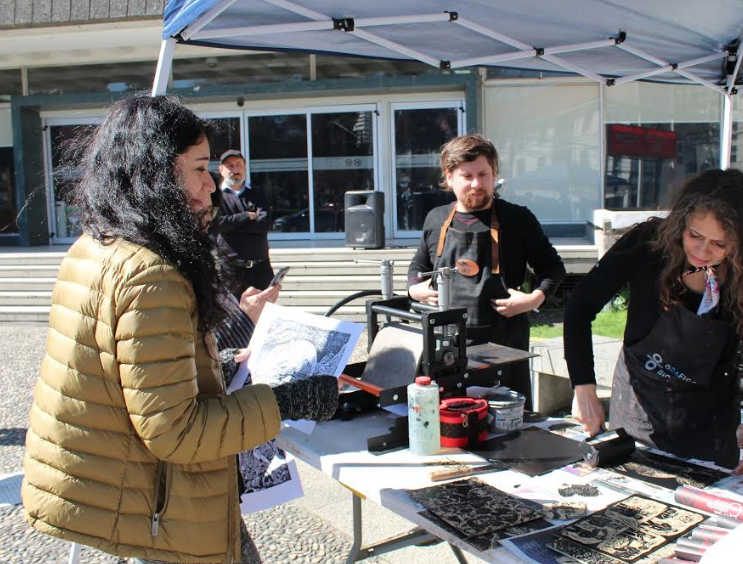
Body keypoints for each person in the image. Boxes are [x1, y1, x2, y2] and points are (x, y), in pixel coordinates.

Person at [21, 95, 337, 564]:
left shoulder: (95, 244)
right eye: (199, 168)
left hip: (106, 489)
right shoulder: (152, 274)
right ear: (155, 175)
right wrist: (285, 402)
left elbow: (120, 367)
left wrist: (221, 362)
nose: (211, 186)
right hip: (147, 505)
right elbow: (178, 433)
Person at [564, 169, 743, 474]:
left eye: (719, 244)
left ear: (740, 244)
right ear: (681, 222)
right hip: (638, 411)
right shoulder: (646, 245)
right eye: (694, 236)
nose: (702, 251)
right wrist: (584, 387)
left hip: (710, 426)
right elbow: (579, 307)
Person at [408, 134, 566, 402]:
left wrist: (533, 300)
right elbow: (418, 265)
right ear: (449, 177)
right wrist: (414, 289)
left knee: (506, 426)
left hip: (504, 342)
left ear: (495, 174)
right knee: (448, 420)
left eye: (483, 174)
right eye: (466, 175)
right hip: (446, 342)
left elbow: (553, 267)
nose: (477, 184)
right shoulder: (436, 218)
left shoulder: (519, 219)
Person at [214, 149, 274, 295]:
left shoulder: (258, 193)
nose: (235, 169)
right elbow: (217, 225)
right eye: (230, 166)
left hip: (260, 270)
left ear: (245, 167)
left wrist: (231, 225)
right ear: (221, 170)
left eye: (238, 164)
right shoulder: (215, 196)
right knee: (232, 316)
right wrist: (246, 216)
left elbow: (264, 225)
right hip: (230, 272)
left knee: (264, 315)